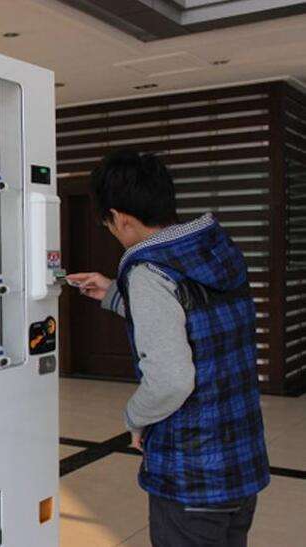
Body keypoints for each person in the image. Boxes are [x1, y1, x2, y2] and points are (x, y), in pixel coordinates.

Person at [67, 150, 270, 547]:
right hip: (241, 463)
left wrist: (135, 417)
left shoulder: (148, 272)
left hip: (192, 474)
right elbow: (199, 317)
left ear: (121, 218)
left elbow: (172, 381)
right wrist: (115, 293)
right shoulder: (214, 247)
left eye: (108, 223)